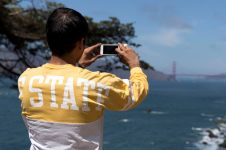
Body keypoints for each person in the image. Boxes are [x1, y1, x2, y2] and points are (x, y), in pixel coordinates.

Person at [17, 7, 149, 150]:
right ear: (81, 43)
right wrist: (134, 64)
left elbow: (63, 82)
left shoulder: (25, 79)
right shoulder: (96, 83)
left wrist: (79, 64)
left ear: (48, 42)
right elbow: (134, 94)